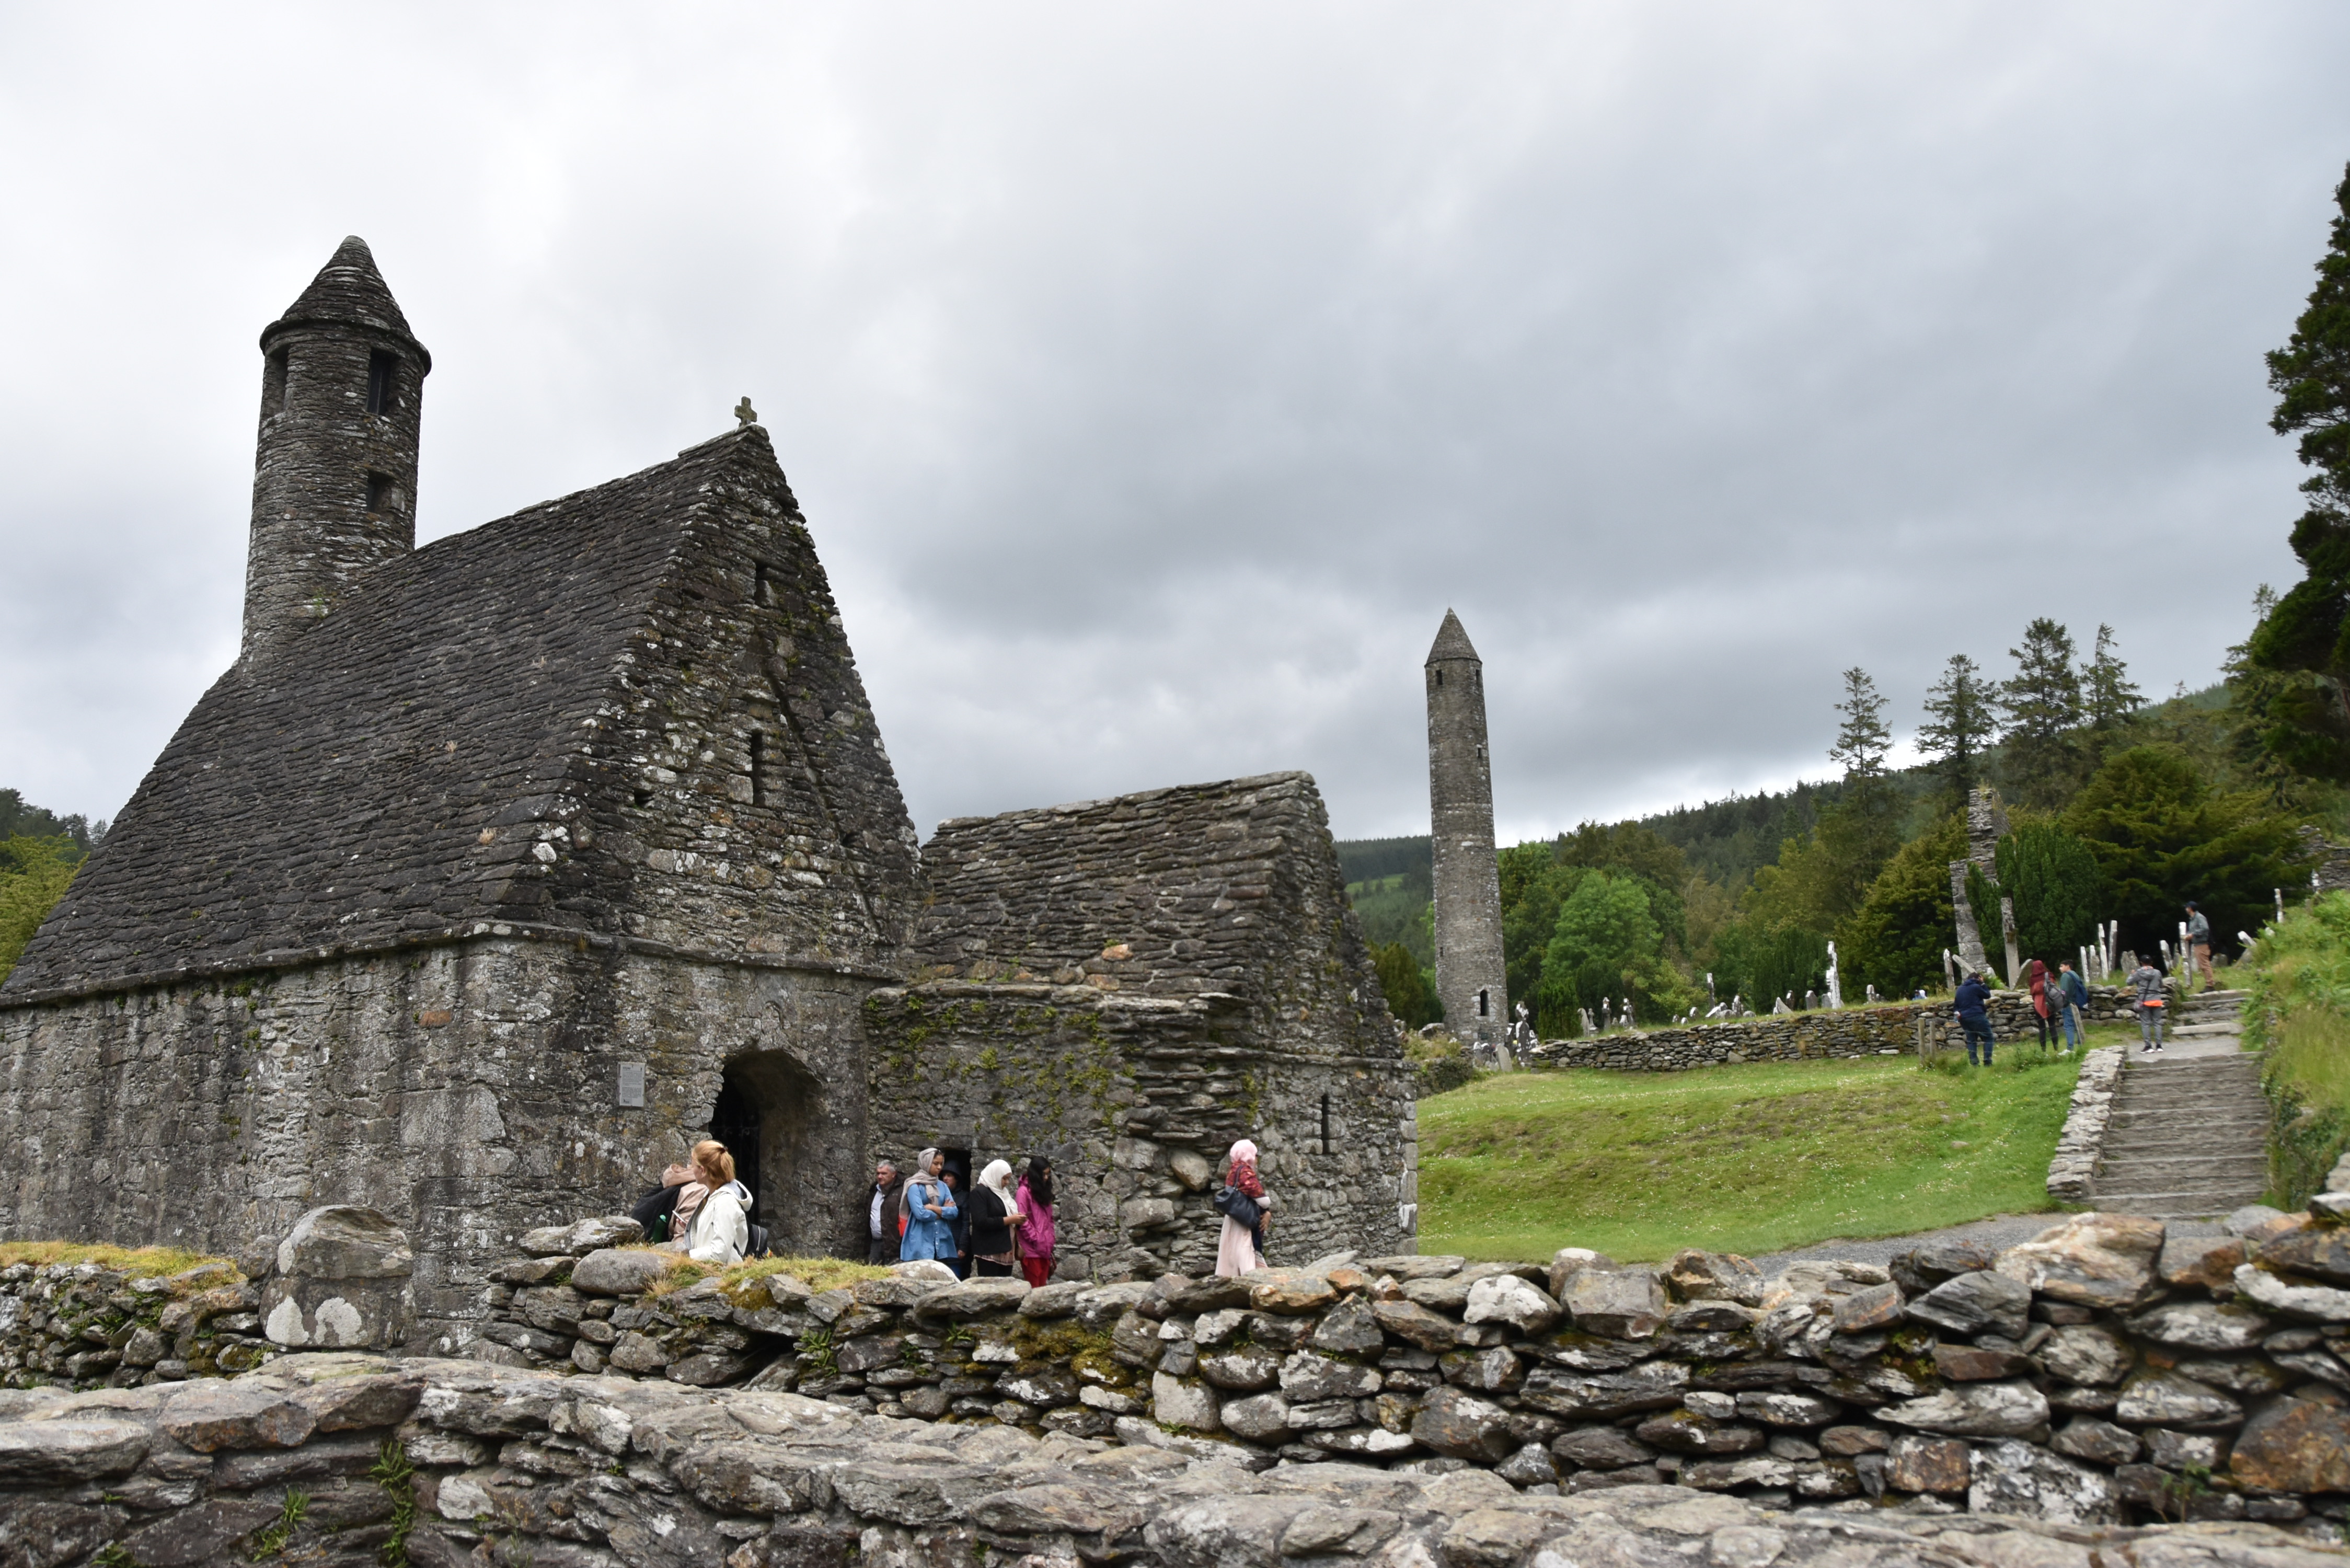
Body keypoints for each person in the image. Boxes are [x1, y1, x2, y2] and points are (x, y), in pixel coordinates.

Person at [678, 1140, 750, 1265]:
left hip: (721, 1277)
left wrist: (685, 1256)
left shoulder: (726, 1202)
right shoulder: (713, 1196)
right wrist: (696, 1227)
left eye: (693, 1164)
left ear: (703, 1171)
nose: (690, 1168)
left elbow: (719, 1253)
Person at [1214, 1139, 1273, 1277]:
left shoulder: (1233, 1171)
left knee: (1231, 1254)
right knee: (1245, 1251)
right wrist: (1268, 1211)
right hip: (1244, 1220)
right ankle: (1250, 1282)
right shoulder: (1245, 1172)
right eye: (1255, 1154)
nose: (1257, 1158)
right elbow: (1263, 1201)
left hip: (1234, 1216)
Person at [898, 1148, 959, 1264]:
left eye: (941, 1164)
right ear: (926, 1162)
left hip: (942, 1242)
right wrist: (943, 1212)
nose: (939, 1168)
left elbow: (954, 1212)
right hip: (920, 1242)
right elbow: (920, 1214)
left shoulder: (943, 1186)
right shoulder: (914, 1185)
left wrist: (933, 1208)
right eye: (935, 1164)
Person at [965, 1159, 1024, 1278]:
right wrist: (1010, 1220)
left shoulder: (1003, 1194)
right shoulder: (980, 1193)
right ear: (995, 1175)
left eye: (1008, 1178)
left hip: (1006, 1250)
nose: (1007, 1182)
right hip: (990, 1251)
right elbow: (981, 1222)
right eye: (1004, 1178)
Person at [1015, 1156, 1056, 1288]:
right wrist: (1038, 1239)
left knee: (1042, 1288)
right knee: (1035, 1289)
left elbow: (1050, 1220)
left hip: (1044, 1249)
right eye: (1043, 1174)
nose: (1046, 1178)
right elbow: (1022, 1220)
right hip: (1031, 1250)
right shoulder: (1023, 1192)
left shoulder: (1044, 1192)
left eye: (1048, 1174)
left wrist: (1050, 1239)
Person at [1954, 970, 1995, 1066]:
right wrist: (1983, 983)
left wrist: (1958, 1016)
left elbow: (1956, 1006)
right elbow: (1987, 995)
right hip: (1977, 1015)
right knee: (1988, 1038)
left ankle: (1974, 1063)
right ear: (1978, 979)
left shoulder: (1960, 989)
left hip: (1964, 1018)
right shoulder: (1976, 987)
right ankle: (1987, 1062)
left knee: (1972, 1040)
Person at [866, 1160, 901, 1265]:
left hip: (893, 1245)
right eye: (878, 1173)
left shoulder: (902, 1191)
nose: (880, 1177)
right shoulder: (874, 1190)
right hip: (875, 1243)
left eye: (884, 1174)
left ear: (894, 1174)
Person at [2130, 958, 2169, 1053]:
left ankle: (2148, 1046)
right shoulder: (2158, 972)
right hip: (2157, 1000)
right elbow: (2161, 985)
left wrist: (2132, 974)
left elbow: (2129, 982)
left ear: (2141, 963)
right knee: (2157, 1023)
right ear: (2152, 962)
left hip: (2144, 1001)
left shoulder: (2138, 973)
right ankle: (2159, 1046)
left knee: (2146, 1024)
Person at [941, 1170, 972, 1277]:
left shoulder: (964, 1197)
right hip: (941, 1246)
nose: (945, 1178)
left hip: (955, 1246)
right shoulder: (940, 1196)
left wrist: (963, 1247)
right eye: (944, 1175)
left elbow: (966, 1223)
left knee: (955, 1280)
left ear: (956, 1179)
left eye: (949, 1176)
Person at [2056, 960, 2089, 1052]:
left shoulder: (2066, 976)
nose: (2060, 968)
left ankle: (2070, 1048)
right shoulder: (2075, 975)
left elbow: (2064, 991)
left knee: (2068, 1026)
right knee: (2077, 1024)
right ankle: (2081, 1045)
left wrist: (2063, 1003)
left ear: (2068, 967)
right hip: (2077, 1003)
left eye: (2062, 966)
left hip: (2069, 1004)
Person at [2024, 959, 2054, 1050]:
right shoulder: (2049, 976)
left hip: (2038, 1004)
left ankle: (2043, 1050)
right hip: (2050, 1002)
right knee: (2053, 1026)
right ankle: (2056, 1048)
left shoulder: (2033, 979)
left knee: (2042, 1028)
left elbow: (2032, 992)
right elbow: (2054, 987)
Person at [2185, 902, 2215, 984]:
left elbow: (2205, 928)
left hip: (2202, 944)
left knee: (2205, 965)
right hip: (2197, 945)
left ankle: (2210, 984)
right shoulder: (2192, 919)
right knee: (2202, 966)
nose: (2186, 909)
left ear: (2190, 908)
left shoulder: (2199, 917)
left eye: (2187, 907)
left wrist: (2193, 935)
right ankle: (2208, 983)